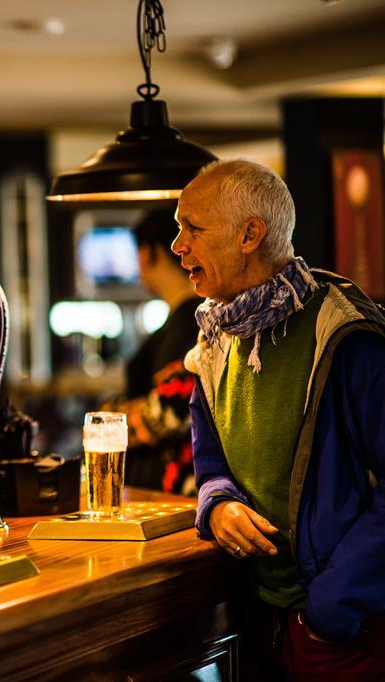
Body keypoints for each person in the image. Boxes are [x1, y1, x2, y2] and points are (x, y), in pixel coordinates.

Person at [177, 158, 385, 678]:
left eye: (192, 230)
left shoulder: (345, 333)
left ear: (250, 235)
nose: (179, 246)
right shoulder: (214, 338)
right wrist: (218, 504)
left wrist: (331, 608)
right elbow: (210, 464)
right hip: (255, 621)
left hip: (346, 632)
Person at [107, 209, 200, 494]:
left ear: (147, 252)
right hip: (160, 491)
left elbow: (171, 409)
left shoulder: (191, 319)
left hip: (174, 494)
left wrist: (111, 419)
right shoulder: (184, 318)